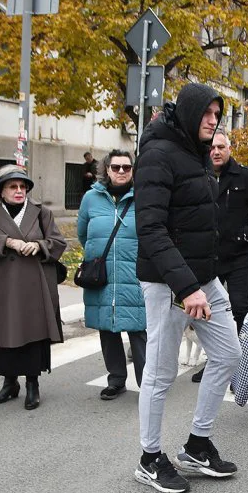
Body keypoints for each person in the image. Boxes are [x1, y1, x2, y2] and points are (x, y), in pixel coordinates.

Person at [134, 83, 241, 493]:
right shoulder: (158, 154)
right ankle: (149, 457)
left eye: (218, 115)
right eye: (207, 114)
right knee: (160, 374)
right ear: (190, 112)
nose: (213, 122)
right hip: (167, 283)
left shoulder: (195, 155)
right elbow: (151, 228)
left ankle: (197, 444)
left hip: (203, 278)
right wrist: (186, 286)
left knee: (229, 354)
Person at [0, 165, 67, 411]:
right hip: (2, 283)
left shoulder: (41, 212)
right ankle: (10, 383)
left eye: (23, 187)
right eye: (13, 187)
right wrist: (7, 242)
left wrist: (39, 245)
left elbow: (58, 242)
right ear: (1, 191)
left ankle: (33, 384)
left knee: (33, 333)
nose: (19, 191)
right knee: (5, 331)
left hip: (36, 283)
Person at [190, 131, 248, 383]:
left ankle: (237, 362)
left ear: (229, 149)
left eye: (221, 147)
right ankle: (216, 361)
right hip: (208, 256)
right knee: (207, 310)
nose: (215, 151)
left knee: (238, 307)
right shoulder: (200, 175)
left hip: (238, 257)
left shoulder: (245, 177)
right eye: (212, 147)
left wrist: (245, 235)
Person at [77, 149, 146, 400]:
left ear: (133, 171)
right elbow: (83, 234)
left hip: (135, 273)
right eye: (115, 167)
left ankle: (146, 384)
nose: (120, 172)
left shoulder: (143, 197)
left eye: (126, 168)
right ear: (106, 169)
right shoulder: (90, 198)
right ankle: (116, 379)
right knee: (107, 328)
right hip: (102, 274)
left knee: (139, 329)